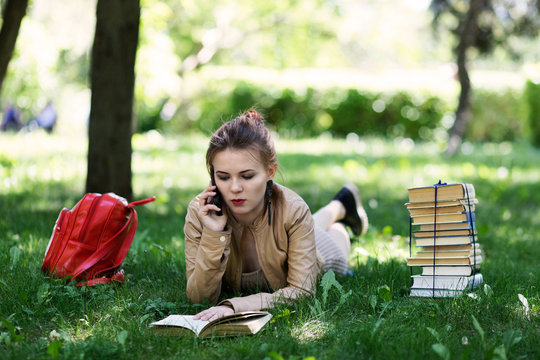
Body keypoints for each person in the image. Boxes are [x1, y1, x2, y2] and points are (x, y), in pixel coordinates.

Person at [184, 109, 368, 322]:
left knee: (336, 243)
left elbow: (302, 292)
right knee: (309, 224)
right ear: (212, 177)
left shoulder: (294, 209)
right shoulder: (201, 213)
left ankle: (341, 213)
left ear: (270, 172)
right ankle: (342, 203)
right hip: (295, 227)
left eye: (247, 176)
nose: (234, 188)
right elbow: (199, 299)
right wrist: (213, 234)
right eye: (223, 177)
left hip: (321, 248)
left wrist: (236, 306)